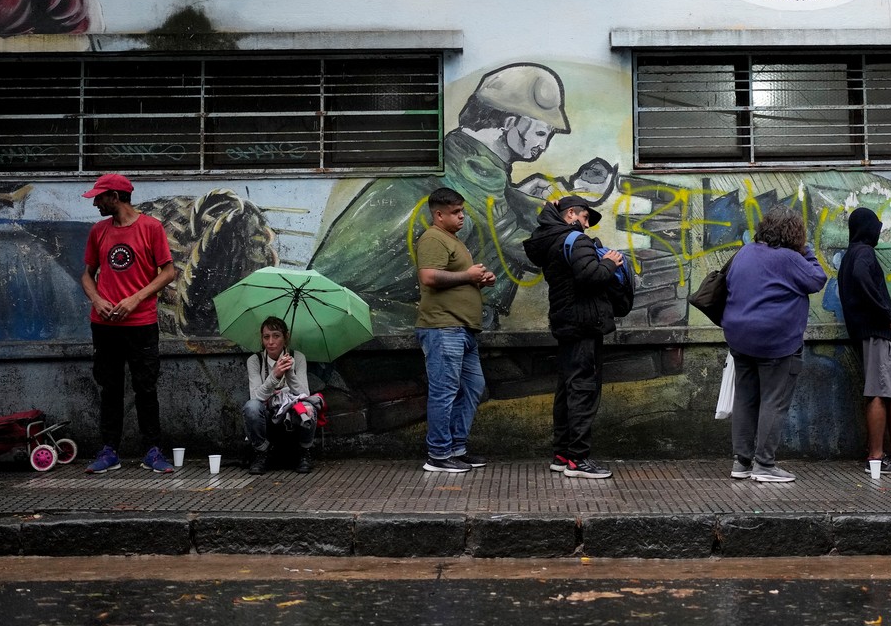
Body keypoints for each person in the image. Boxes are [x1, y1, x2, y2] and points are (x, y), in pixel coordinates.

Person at [311, 63, 616, 332]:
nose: (544, 145)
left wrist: (521, 199)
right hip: (378, 313)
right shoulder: (475, 170)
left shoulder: (461, 156)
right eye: (540, 133)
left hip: (364, 306)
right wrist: (590, 254)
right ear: (510, 124)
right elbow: (513, 239)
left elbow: (492, 210)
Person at [523, 194, 634, 480]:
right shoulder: (576, 239)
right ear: (572, 214)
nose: (587, 225)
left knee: (568, 389)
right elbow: (591, 276)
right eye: (585, 218)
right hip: (584, 323)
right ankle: (578, 459)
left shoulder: (550, 240)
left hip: (566, 321)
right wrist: (610, 262)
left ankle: (562, 454)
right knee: (583, 389)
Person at [720, 205, 827, 484]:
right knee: (773, 401)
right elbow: (817, 279)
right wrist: (808, 251)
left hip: (739, 337)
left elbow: (729, 281)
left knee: (745, 398)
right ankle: (764, 464)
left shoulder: (745, 251)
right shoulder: (790, 259)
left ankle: (741, 462)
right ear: (795, 234)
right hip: (775, 342)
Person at [80, 173, 177, 474]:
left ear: (116, 196)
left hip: (141, 324)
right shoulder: (99, 231)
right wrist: (97, 299)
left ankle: (152, 451)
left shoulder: (151, 227)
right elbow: (87, 274)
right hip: (105, 324)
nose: (95, 203)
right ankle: (109, 451)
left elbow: (169, 271)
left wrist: (135, 299)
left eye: (100, 197)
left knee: (145, 388)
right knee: (110, 388)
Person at [415, 187, 497, 473]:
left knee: (473, 387)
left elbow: (455, 278)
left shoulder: (452, 240)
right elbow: (428, 276)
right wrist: (468, 275)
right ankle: (437, 455)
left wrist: (480, 279)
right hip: (443, 328)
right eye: (455, 212)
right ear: (438, 214)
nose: (461, 216)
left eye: (462, 211)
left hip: (462, 329)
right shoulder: (433, 238)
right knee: (444, 391)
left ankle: (456, 449)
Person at [836, 208, 891, 475]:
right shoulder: (863, 253)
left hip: (874, 334)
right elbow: (861, 276)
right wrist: (883, 310)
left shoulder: (852, 254)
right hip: (876, 333)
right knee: (879, 391)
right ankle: (876, 458)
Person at [244, 316, 321, 475]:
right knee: (250, 407)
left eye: (276, 336)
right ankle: (261, 452)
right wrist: (275, 376)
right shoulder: (255, 360)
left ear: (286, 337)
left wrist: (290, 373)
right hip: (267, 414)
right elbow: (255, 397)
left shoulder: (297, 357)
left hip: (292, 412)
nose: (270, 342)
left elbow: (304, 393)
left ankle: (304, 452)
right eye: (266, 337)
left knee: (308, 407)